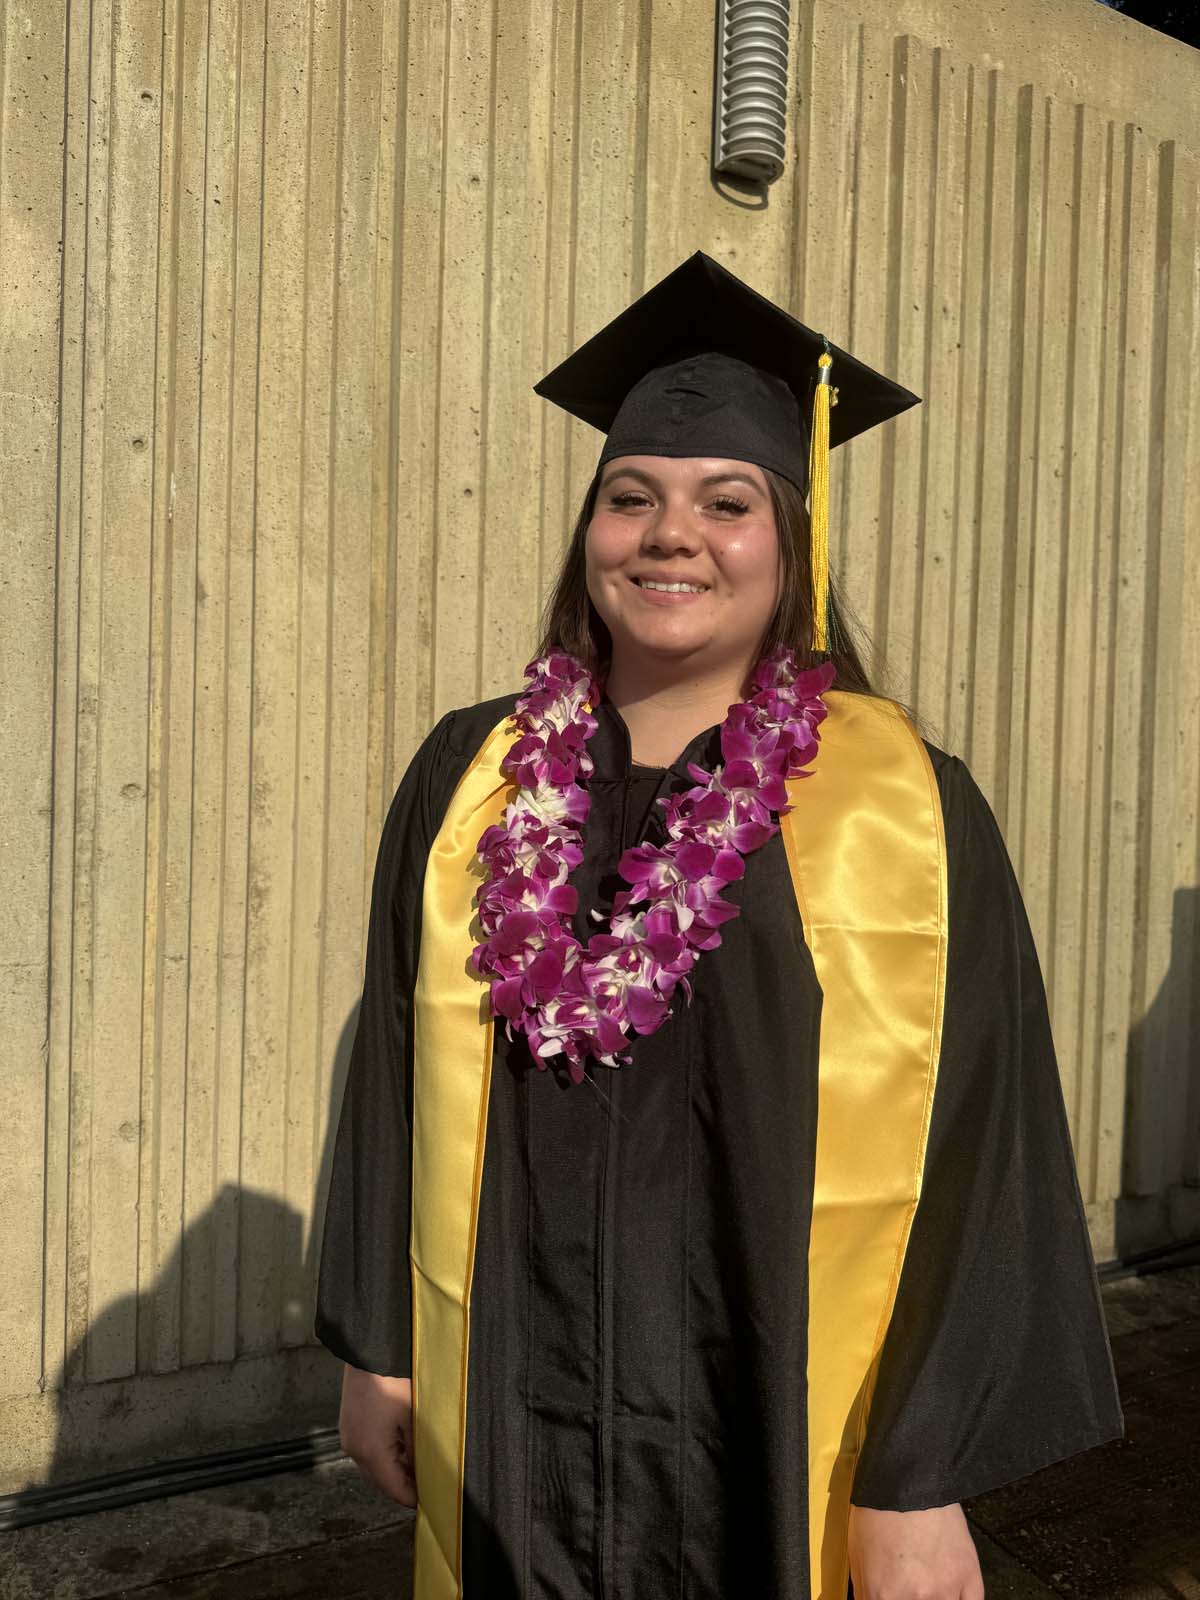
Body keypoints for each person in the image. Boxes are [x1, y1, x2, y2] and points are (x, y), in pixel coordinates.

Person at [314, 253, 1124, 1600]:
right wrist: (378, 1345)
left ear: (792, 541)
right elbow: (396, 1066)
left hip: (770, 1423)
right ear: (589, 532)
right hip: (515, 1402)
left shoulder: (901, 805)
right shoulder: (475, 776)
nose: (669, 535)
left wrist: (918, 1478)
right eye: (630, 497)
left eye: (726, 502)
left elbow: (983, 1141)